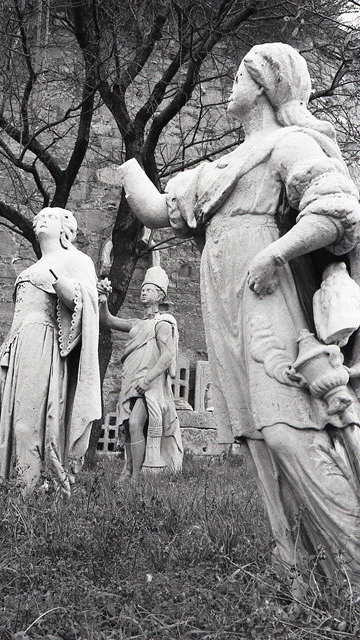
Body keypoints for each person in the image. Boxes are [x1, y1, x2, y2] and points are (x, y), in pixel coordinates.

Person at [119, 43, 360, 583]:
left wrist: (276, 254)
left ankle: (350, 561)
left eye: (240, 76)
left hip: (268, 292)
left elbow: (336, 210)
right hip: (225, 300)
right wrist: (128, 161)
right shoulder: (222, 166)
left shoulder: (290, 144)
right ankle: (295, 563)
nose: (231, 85)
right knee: (257, 436)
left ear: (266, 86)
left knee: (288, 424)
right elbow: (156, 209)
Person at [0, 207, 101, 495]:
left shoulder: (76, 259)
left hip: (41, 343)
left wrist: (61, 283)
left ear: (64, 229)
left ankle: (31, 496)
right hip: (13, 347)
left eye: (50, 217)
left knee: (26, 427)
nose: (42, 220)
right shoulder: (34, 266)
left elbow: (87, 303)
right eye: (39, 218)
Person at [98, 265, 183, 482]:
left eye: (149, 289)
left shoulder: (163, 324)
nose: (144, 292)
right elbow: (107, 320)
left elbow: (166, 357)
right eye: (143, 289)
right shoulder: (136, 323)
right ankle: (128, 469)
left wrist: (146, 380)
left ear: (160, 295)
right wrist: (103, 300)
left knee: (135, 423)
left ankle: (136, 475)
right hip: (130, 381)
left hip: (148, 385)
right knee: (128, 425)